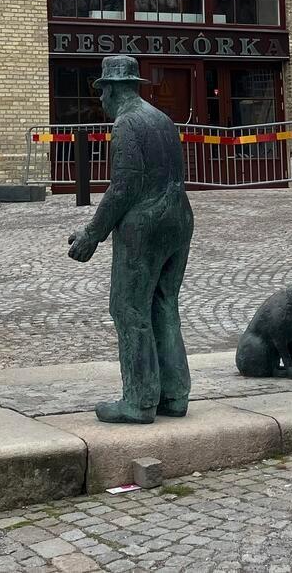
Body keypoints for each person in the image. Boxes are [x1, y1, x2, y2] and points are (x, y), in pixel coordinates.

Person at [66, 55, 194, 424]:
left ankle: (138, 401)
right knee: (164, 304)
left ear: (109, 90)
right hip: (179, 219)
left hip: (146, 224)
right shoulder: (163, 120)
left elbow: (123, 187)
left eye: (101, 92)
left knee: (129, 308)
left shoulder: (126, 124)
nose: (100, 101)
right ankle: (174, 394)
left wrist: (92, 234)